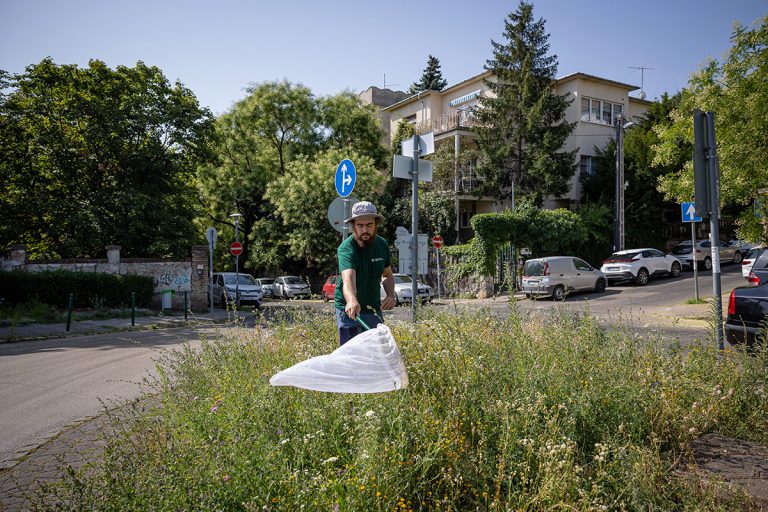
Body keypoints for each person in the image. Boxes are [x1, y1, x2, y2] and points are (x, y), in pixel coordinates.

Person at [334, 201, 396, 345]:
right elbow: (348, 278)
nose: (364, 230)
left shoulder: (382, 245)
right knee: (351, 352)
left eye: (369, 225)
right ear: (353, 226)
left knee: (375, 350)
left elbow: (387, 274)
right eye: (360, 226)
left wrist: (391, 295)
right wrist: (351, 300)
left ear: (376, 224)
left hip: (372, 307)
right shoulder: (346, 248)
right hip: (349, 308)